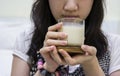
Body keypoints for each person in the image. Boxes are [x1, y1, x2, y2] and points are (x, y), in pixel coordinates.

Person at [11, 0, 120, 76]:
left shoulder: (114, 45)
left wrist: (91, 65)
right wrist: (48, 67)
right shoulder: (26, 40)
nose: (70, 7)